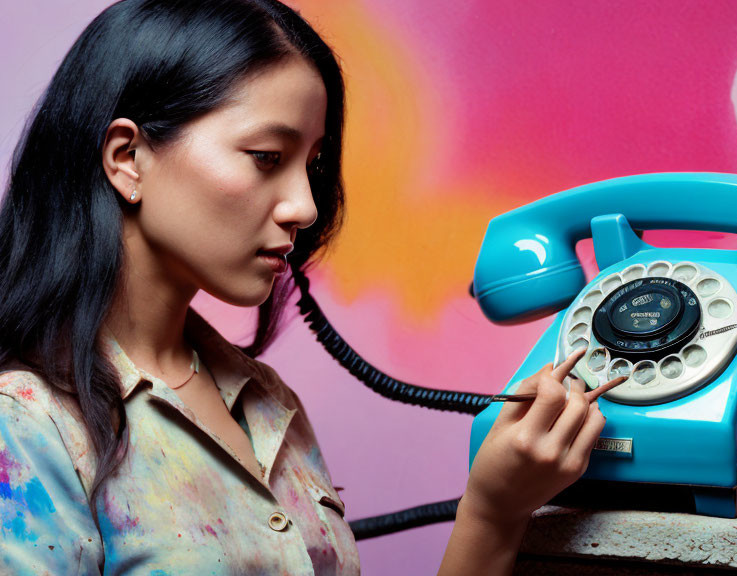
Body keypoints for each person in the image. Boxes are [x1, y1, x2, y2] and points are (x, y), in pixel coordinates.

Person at [0, 0, 610, 574]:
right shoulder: (24, 425)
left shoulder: (268, 404)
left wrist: (494, 510)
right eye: (268, 156)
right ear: (129, 157)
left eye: (312, 166)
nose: (305, 207)